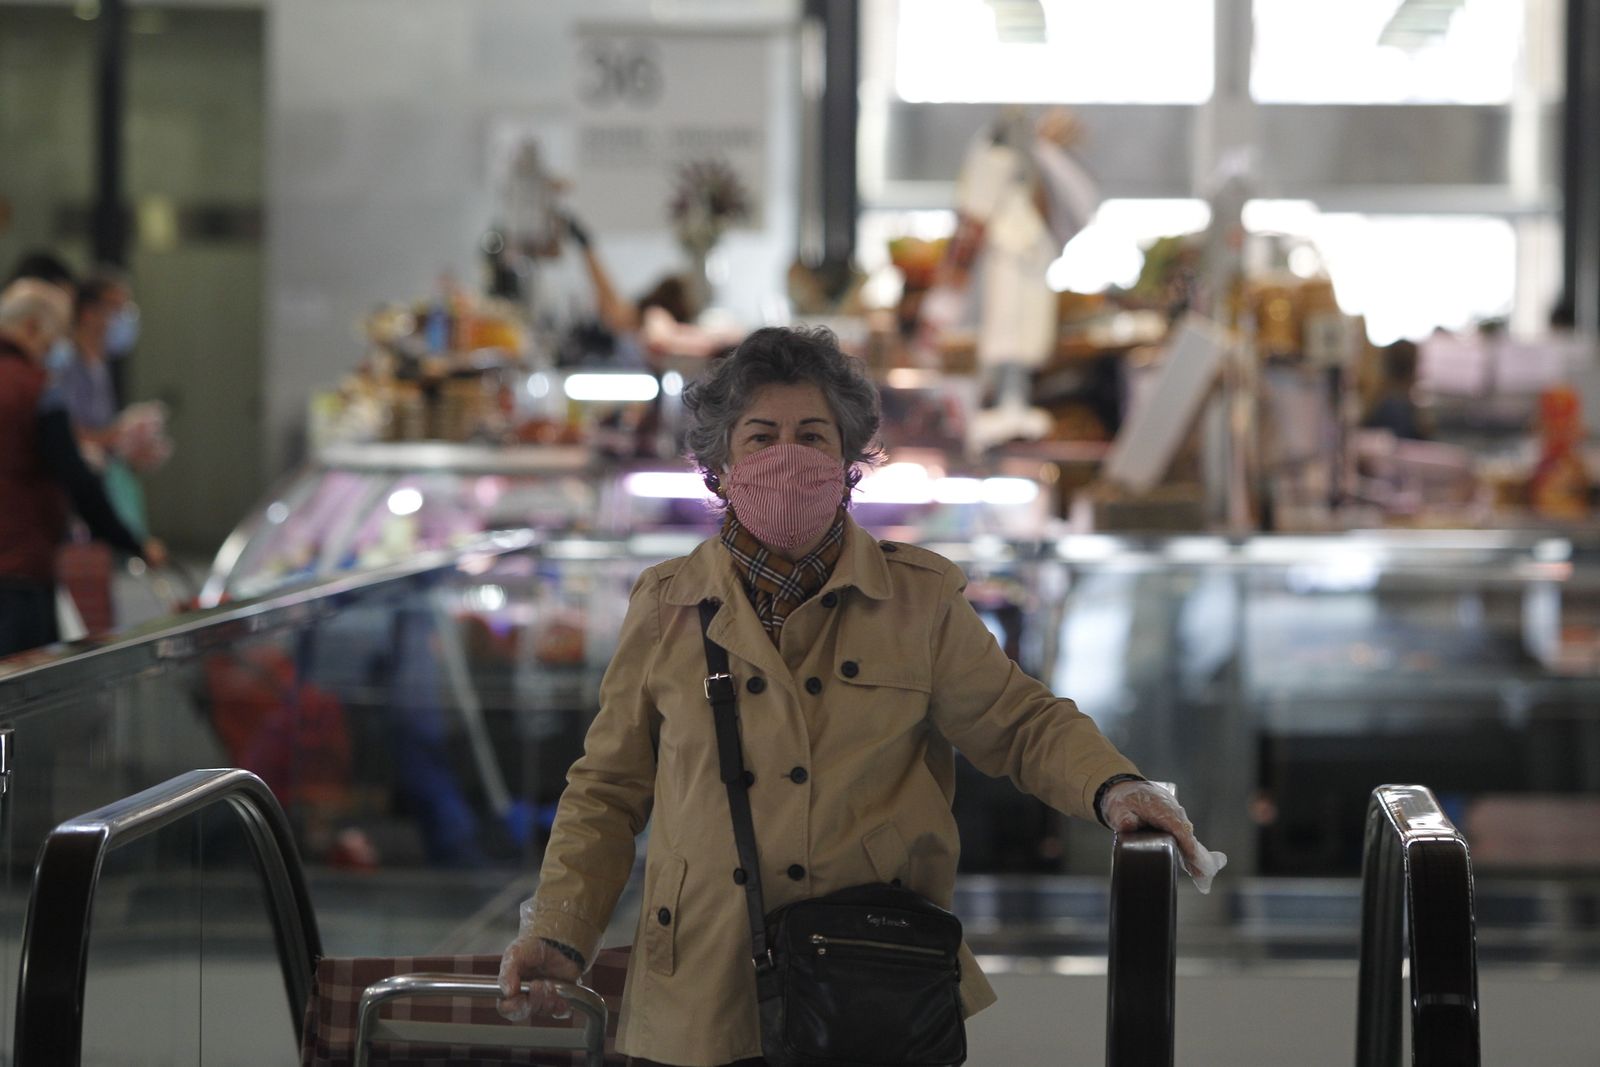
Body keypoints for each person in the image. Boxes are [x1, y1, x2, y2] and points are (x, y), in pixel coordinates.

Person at [497, 326, 1225, 1066]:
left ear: (848, 461)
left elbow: (1020, 721)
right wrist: (560, 930)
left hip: (874, 987)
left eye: (813, 436)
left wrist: (1112, 785)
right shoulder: (665, 605)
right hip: (700, 992)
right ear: (720, 464)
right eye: (762, 437)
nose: (788, 457)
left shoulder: (919, 600)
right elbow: (607, 788)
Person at [0, 279, 165, 658]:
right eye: (56, 336)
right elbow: (76, 478)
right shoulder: (38, 388)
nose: (58, 349)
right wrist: (132, 542)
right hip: (19, 570)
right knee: (25, 682)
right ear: (31, 327)